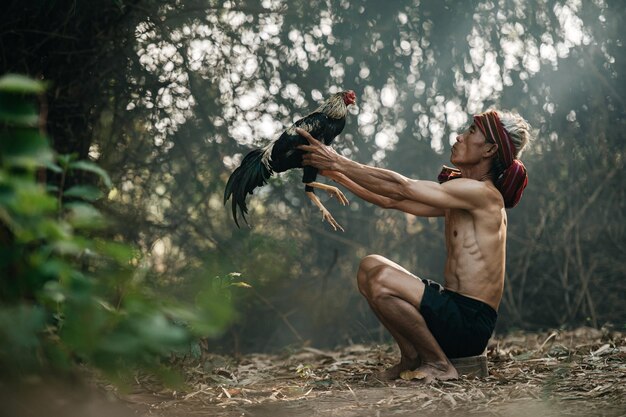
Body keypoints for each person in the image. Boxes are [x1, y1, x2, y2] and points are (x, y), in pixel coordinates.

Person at [296, 110, 531, 383]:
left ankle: (440, 364)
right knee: (369, 267)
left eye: (470, 132)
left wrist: (337, 160)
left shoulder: (483, 194)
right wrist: (333, 172)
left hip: (468, 324)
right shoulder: (463, 192)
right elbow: (392, 201)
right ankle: (411, 357)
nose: (459, 136)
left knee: (382, 280)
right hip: (452, 310)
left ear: (490, 149)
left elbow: (402, 188)